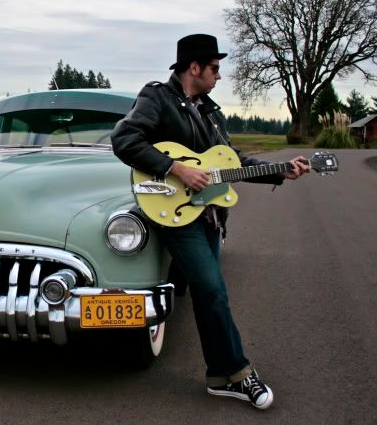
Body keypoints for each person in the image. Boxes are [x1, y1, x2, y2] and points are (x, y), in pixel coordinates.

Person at [111, 34, 310, 410]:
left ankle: (219, 372)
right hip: (175, 215)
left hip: (209, 215)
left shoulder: (213, 114)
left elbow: (232, 162)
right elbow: (124, 139)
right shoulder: (158, 98)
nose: (220, 76)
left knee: (206, 292)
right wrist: (175, 168)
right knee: (214, 290)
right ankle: (235, 374)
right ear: (194, 68)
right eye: (215, 68)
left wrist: (283, 171)